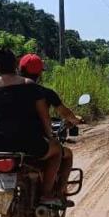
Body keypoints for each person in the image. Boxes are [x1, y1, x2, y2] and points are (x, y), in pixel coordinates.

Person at [0, 47, 63, 204]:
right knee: (57, 151)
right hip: (27, 141)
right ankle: (46, 194)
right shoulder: (29, 84)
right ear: (15, 65)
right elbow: (44, 116)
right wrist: (50, 136)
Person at [19, 53, 83, 199]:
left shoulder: (7, 90)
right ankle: (50, 193)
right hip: (34, 141)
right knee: (63, 153)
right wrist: (75, 119)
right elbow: (64, 112)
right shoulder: (44, 92)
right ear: (40, 73)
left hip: (7, 141)